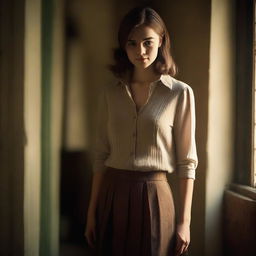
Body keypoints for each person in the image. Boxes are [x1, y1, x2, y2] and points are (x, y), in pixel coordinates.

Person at [85, 6, 198, 256]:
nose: (140, 51)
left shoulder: (179, 93)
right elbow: (100, 155)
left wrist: (184, 222)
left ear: (161, 40)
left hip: (156, 195)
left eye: (148, 42)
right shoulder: (110, 93)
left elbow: (187, 162)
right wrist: (92, 213)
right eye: (132, 44)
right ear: (124, 47)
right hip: (113, 195)